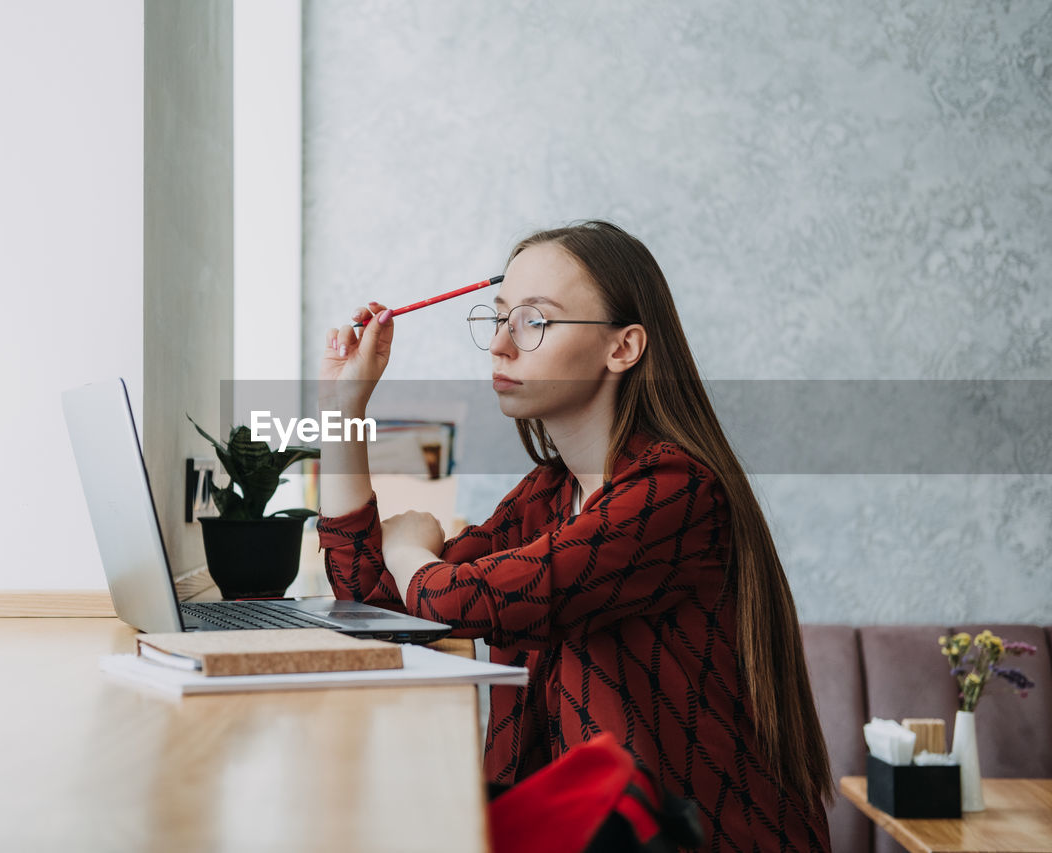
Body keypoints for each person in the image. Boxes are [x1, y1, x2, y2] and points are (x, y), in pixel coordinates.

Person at [316, 220, 832, 850]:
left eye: (534, 321)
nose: (501, 346)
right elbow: (378, 604)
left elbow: (453, 597)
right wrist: (344, 408)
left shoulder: (676, 492)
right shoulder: (549, 494)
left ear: (623, 348)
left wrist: (406, 547)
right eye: (500, 317)